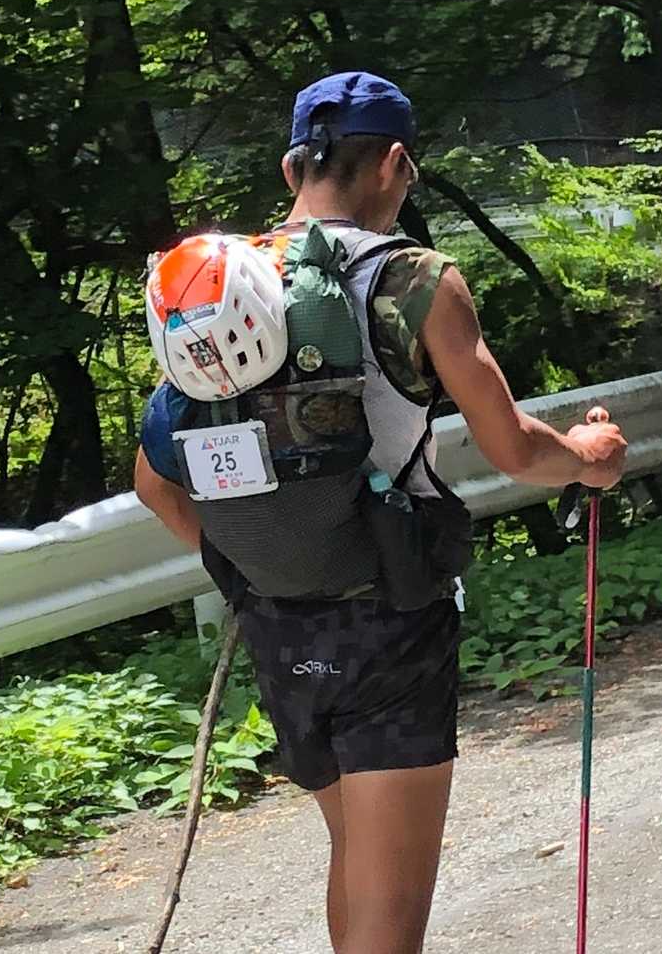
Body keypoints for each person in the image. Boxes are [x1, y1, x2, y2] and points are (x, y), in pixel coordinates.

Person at [134, 71, 627, 954]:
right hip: (389, 618)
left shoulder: (223, 284)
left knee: (356, 856)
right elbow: (515, 449)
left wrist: (263, 556)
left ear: (292, 167)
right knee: (390, 912)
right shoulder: (413, 279)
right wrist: (591, 458)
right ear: (396, 163)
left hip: (278, 626)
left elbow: (154, 479)